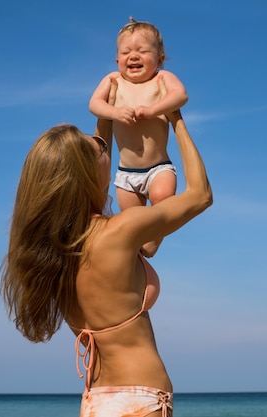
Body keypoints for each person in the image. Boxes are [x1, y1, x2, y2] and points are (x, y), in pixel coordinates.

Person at [0, 98, 211, 416]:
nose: (105, 149)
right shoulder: (121, 231)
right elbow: (200, 195)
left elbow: (96, 159)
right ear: (85, 173)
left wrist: (110, 115)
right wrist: (176, 119)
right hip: (140, 399)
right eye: (100, 150)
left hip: (96, 400)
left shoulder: (55, 252)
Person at [89, 17, 188, 257]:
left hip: (158, 168)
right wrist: (114, 112)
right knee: (132, 222)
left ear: (160, 59)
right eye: (126, 52)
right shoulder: (113, 80)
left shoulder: (161, 79)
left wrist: (154, 110)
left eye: (143, 51)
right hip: (126, 174)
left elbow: (181, 95)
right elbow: (94, 104)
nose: (133, 56)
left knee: (163, 200)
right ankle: (141, 253)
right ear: (117, 59)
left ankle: (154, 242)